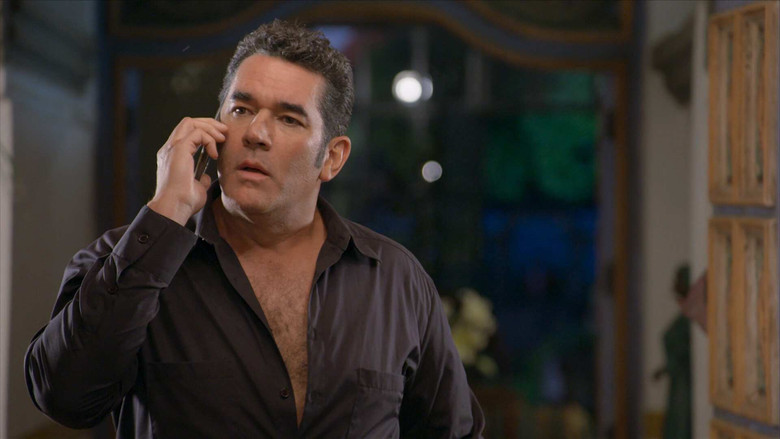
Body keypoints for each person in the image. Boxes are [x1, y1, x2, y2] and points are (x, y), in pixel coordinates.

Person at [24, 19, 485, 438]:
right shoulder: (128, 258)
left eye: (288, 118)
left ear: (332, 157)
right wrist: (164, 214)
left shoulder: (395, 279)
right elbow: (64, 397)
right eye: (242, 109)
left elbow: (454, 432)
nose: (256, 134)